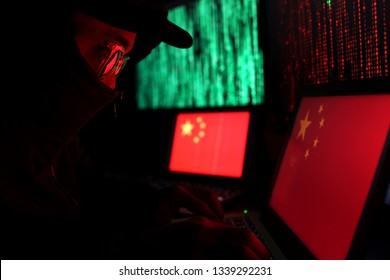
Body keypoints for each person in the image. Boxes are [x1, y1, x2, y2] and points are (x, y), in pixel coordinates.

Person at [0, 0, 270, 260]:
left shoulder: (56, 138)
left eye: (123, 60)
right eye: (112, 51)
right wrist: (132, 255)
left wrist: (150, 203)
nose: (112, 82)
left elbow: (84, 184)